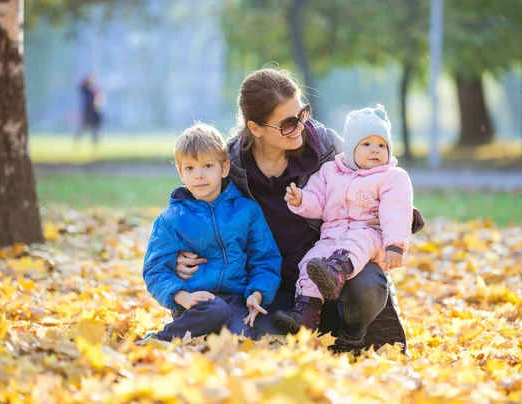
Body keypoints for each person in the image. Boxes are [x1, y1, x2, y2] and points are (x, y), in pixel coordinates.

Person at [176, 68, 424, 353]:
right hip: (264, 286)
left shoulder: (326, 147)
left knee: (368, 284)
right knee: (263, 341)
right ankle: (303, 321)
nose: (301, 126)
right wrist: (182, 252)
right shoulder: (231, 162)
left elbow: (372, 184)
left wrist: (401, 217)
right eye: (288, 123)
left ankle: (349, 332)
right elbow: (194, 201)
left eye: (302, 114)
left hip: (333, 275)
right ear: (255, 128)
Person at [273, 105, 417, 337]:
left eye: (382, 145)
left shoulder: (392, 177)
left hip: (369, 234)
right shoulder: (331, 172)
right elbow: (318, 200)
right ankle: (306, 312)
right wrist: (301, 199)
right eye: (366, 144)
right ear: (350, 149)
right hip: (332, 236)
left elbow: (396, 211)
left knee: (357, 241)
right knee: (310, 261)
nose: (375, 151)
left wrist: (395, 245)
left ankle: (337, 271)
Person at [143, 123, 281, 341]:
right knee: (216, 311)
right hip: (194, 303)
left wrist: (258, 293)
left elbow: (265, 258)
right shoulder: (171, 219)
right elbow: (155, 268)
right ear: (180, 172)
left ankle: (208, 341)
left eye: (207, 166)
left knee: (241, 340)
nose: (199, 175)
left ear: (224, 168)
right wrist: (182, 296)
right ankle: (160, 339)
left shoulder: (247, 211)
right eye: (190, 168)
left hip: (237, 300)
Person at [74, 75, 103, 145]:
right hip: (87, 111)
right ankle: (77, 140)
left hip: (94, 111)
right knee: (84, 126)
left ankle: (95, 141)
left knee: (95, 127)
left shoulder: (93, 91)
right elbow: (81, 85)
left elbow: (99, 99)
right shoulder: (85, 90)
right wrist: (89, 79)